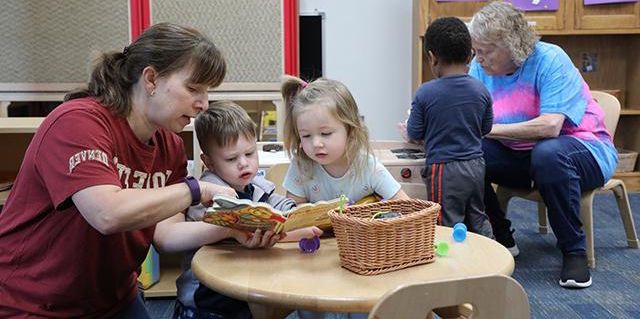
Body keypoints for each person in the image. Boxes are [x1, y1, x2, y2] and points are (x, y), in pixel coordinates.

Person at [0, 23, 251, 318]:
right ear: (151, 79)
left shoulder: (169, 145)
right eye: (193, 88)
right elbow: (107, 214)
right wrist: (197, 189)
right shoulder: (77, 122)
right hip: (32, 303)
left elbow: (166, 235)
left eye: (207, 92)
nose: (203, 104)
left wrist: (233, 228)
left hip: (113, 298)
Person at [468, 2, 618, 289]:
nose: (479, 58)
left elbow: (551, 127)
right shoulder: (479, 67)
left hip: (583, 150)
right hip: (522, 155)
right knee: (468, 154)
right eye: (477, 50)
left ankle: (574, 252)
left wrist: (487, 129)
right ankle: (501, 237)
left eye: (486, 51)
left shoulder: (550, 60)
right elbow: (470, 115)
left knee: (548, 153)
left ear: (511, 45)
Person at [168, 100, 321, 319]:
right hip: (206, 303)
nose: (243, 164)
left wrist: (301, 214)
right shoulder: (207, 194)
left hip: (243, 295)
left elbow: (280, 205)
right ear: (208, 162)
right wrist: (295, 232)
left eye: (249, 154)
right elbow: (233, 221)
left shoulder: (257, 186)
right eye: (231, 158)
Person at [404, 17, 494, 239]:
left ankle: (451, 267)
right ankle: (491, 257)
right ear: (469, 56)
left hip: (445, 169)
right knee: (478, 216)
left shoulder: (425, 92)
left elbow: (414, 132)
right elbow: (486, 128)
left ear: (433, 57)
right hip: (476, 166)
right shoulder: (481, 90)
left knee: (445, 221)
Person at [281, 76, 410, 205]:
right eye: (306, 136)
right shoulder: (302, 166)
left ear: (351, 130)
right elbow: (294, 215)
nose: (316, 144)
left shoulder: (367, 166)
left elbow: (407, 207)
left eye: (325, 133)